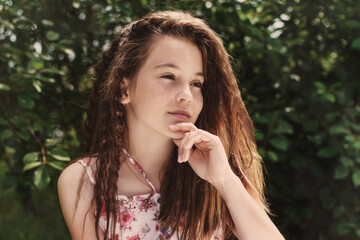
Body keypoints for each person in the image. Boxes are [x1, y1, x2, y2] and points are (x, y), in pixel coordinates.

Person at [57, 10, 284, 240]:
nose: (186, 95)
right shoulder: (85, 180)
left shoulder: (216, 167)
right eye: (169, 76)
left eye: (196, 83)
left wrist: (224, 179)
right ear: (124, 89)